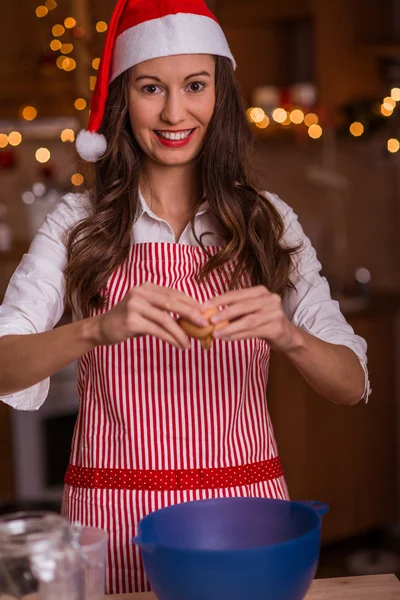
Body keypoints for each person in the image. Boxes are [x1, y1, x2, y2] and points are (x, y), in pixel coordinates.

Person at [0, 0, 370, 593]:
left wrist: (289, 335)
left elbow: (351, 384)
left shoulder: (267, 222)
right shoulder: (78, 223)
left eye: (195, 85)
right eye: (151, 88)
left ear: (219, 93)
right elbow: (3, 359)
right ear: (124, 98)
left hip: (244, 521)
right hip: (113, 523)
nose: (175, 111)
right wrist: (95, 328)